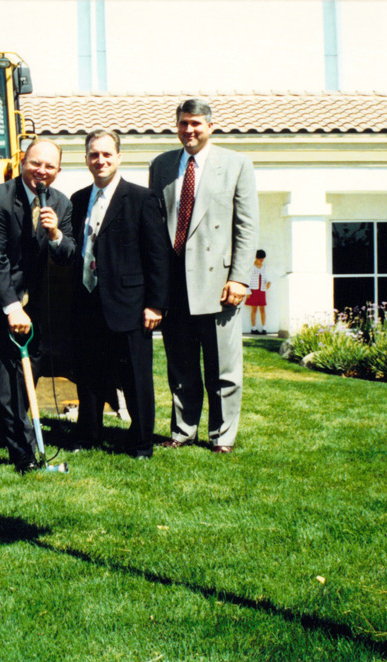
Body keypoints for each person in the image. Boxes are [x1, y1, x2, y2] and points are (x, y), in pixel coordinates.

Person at [148, 99, 259, 454]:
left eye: (196, 123)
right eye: (183, 123)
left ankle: (222, 436)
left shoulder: (237, 164)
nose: (189, 130)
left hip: (219, 283)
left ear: (210, 126)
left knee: (222, 367)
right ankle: (183, 431)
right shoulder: (161, 165)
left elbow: (246, 226)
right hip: (174, 283)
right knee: (180, 366)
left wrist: (240, 277)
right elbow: (155, 226)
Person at [0, 139, 76, 473]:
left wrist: (55, 234)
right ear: (22, 162)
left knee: (28, 372)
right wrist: (11, 307)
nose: (41, 171)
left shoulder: (60, 203)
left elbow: (67, 254)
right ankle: (25, 456)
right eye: (35, 163)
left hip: (31, 303)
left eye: (49, 166)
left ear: (58, 170)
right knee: (8, 377)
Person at [69, 129, 170, 459]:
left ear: (119, 158)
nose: (100, 160)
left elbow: (157, 256)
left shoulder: (142, 198)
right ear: (86, 159)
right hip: (88, 302)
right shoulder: (78, 200)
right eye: (94, 155)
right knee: (90, 374)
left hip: (130, 305)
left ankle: (141, 442)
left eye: (106, 154)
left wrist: (156, 304)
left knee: (135, 378)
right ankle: (88, 435)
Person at [247, 249, 271, 334]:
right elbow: (247, 279)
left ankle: (264, 328)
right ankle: (253, 328)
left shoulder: (264, 267)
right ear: (256, 258)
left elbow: (266, 277)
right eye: (260, 258)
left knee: (262, 309)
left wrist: (268, 283)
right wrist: (248, 291)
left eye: (263, 259)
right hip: (253, 290)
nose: (262, 260)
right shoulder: (251, 267)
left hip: (262, 290)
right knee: (254, 310)